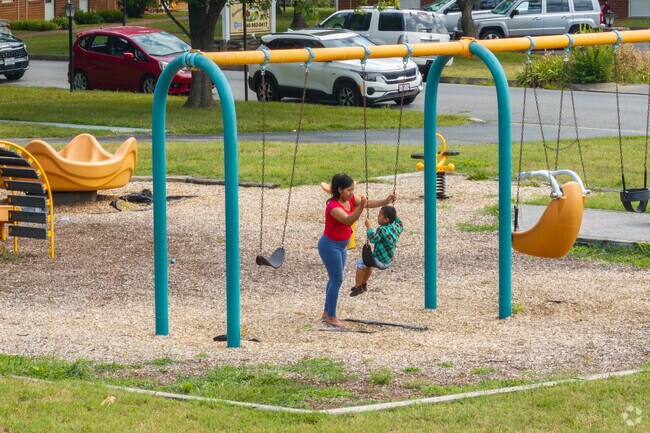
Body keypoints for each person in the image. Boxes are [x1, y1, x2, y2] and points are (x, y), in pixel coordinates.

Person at [319, 173, 396, 328]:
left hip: (341, 246)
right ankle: (332, 317)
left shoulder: (350, 199)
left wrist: (385, 201)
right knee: (337, 279)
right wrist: (360, 207)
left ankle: (327, 312)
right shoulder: (333, 206)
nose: (352, 193)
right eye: (349, 190)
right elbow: (349, 220)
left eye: (353, 190)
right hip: (330, 246)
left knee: (334, 279)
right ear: (339, 190)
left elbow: (369, 203)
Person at [350, 205, 403, 297]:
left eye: (379, 216)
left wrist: (369, 227)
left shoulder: (382, 229)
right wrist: (394, 214)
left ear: (386, 219)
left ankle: (358, 287)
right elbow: (400, 223)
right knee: (368, 263)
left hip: (379, 261)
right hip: (388, 261)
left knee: (361, 263)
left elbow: (373, 239)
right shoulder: (397, 227)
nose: (377, 217)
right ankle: (363, 284)